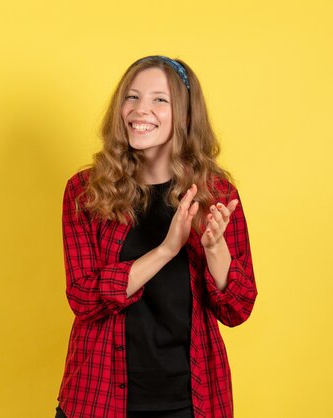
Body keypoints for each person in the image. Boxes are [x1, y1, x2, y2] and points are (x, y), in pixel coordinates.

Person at [54, 56, 257, 418]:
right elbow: (84, 299)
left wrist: (215, 248)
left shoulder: (217, 195)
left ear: (186, 115)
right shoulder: (86, 191)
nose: (139, 110)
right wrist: (165, 250)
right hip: (99, 399)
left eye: (158, 100)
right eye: (131, 97)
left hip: (193, 401)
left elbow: (237, 309)